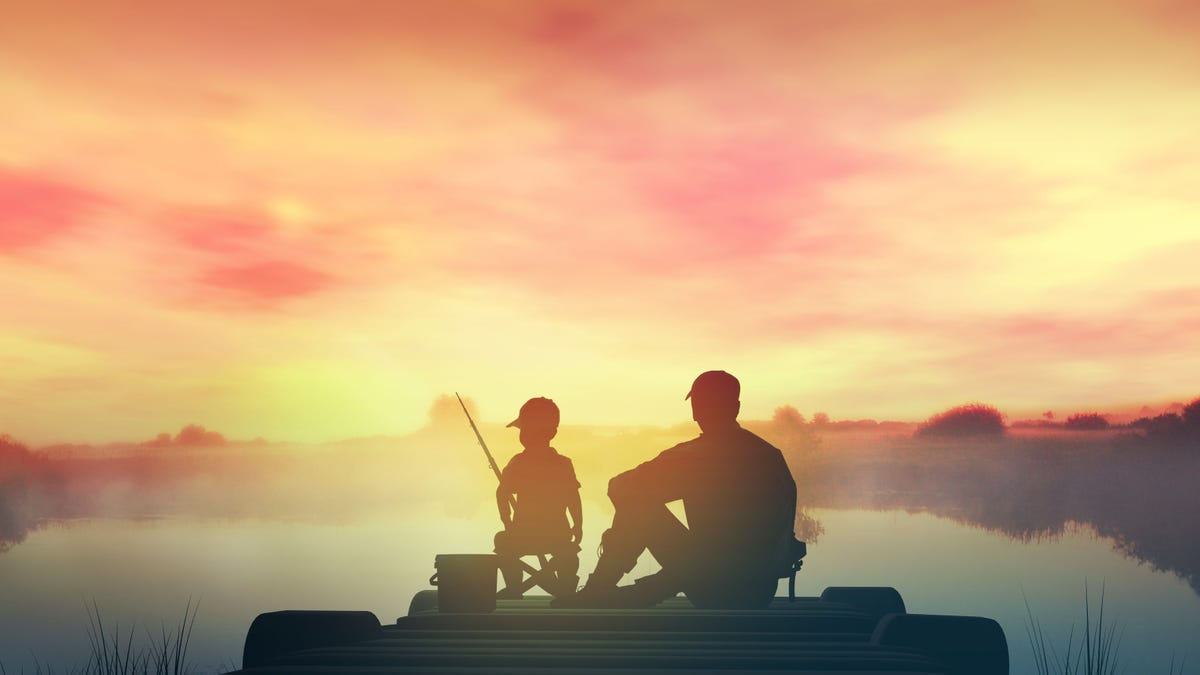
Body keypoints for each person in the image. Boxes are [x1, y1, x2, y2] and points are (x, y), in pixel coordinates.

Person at [557, 370, 797, 609]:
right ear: (736, 408)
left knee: (637, 506)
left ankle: (599, 589)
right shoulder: (770, 456)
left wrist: (623, 529)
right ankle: (634, 591)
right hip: (759, 593)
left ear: (696, 410)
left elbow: (618, 487)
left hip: (712, 591)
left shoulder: (692, 458)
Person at [494, 397, 583, 598]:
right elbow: (573, 498)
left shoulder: (517, 463)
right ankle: (566, 590)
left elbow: (502, 493)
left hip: (522, 535)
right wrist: (578, 525)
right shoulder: (564, 463)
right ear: (552, 433)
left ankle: (514, 588)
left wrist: (507, 521)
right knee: (569, 554)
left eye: (523, 430)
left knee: (502, 541)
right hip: (558, 535)